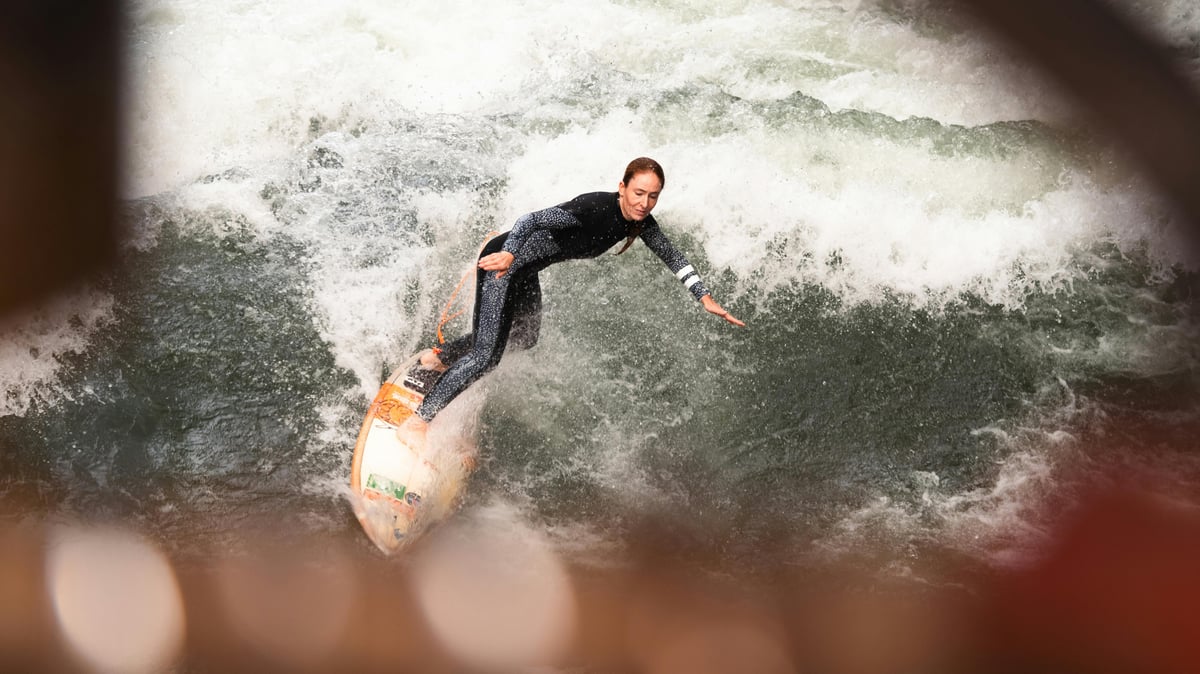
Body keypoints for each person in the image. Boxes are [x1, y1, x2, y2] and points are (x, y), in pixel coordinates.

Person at [399, 157, 743, 441]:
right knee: (486, 357)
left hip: (525, 271)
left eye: (653, 196)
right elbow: (532, 220)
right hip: (502, 265)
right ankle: (419, 420)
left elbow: (673, 256)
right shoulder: (594, 208)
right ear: (622, 187)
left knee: (524, 336)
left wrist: (704, 297)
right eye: (639, 193)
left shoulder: (639, 223)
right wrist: (510, 254)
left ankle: (438, 357)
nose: (644, 203)